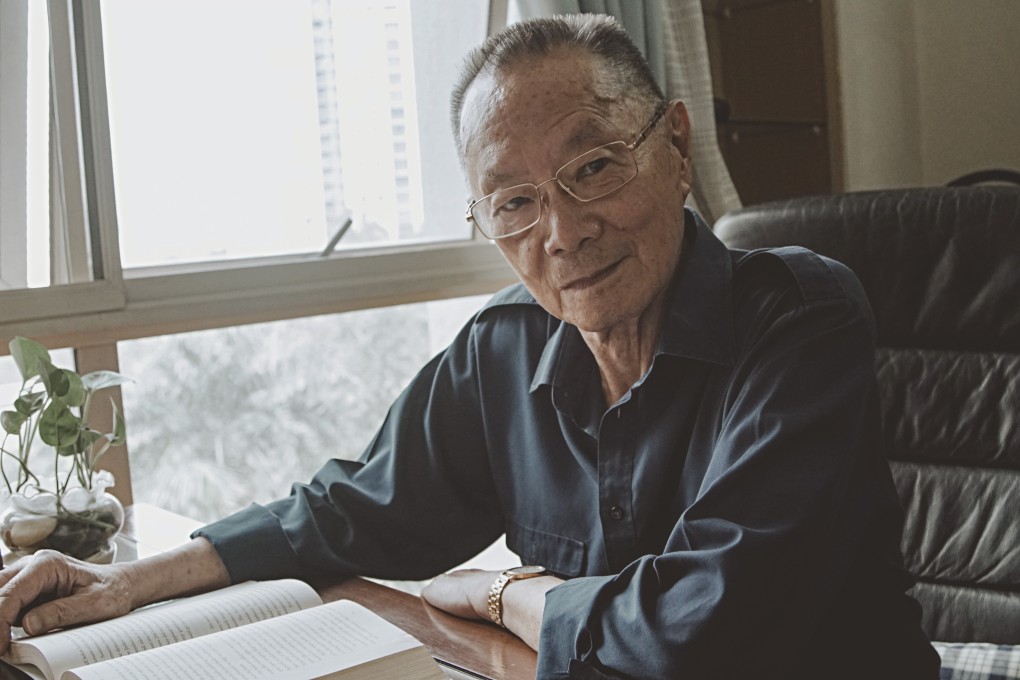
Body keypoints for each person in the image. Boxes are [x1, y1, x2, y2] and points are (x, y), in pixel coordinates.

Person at [0, 14, 939, 679]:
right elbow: (344, 513)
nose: (563, 233)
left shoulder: (801, 318)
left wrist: (508, 595)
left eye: (594, 166)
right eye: (515, 203)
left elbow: (705, 627)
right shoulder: (505, 347)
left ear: (678, 147)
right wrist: (126, 582)